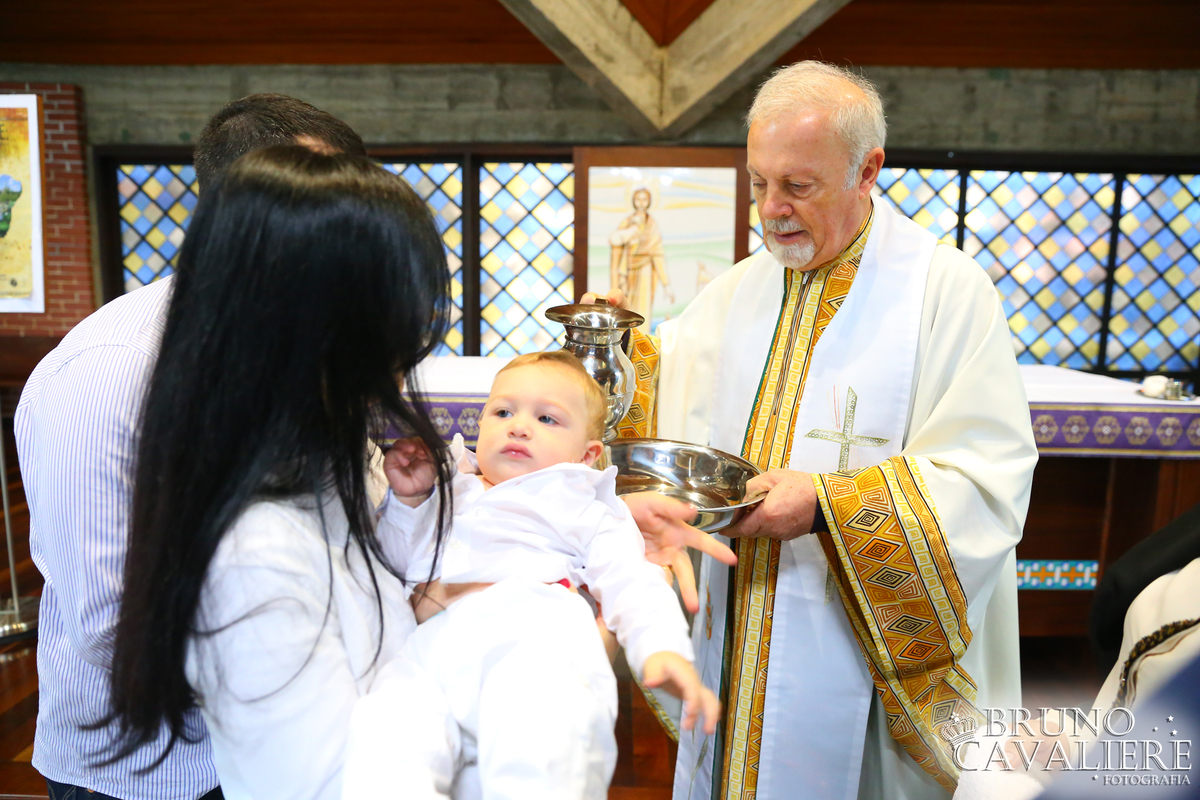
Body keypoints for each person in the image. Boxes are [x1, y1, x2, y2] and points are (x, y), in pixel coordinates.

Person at [590, 60, 1038, 800]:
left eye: (798, 187)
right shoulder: (741, 287)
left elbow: (985, 478)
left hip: (862, 656)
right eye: (760, 183)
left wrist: (830, 506)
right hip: (741, 620)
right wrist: (618, 350)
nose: (772, 210)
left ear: (868, 171)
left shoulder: (946, 292)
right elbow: (668, 390)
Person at [14, 94, 367, 800]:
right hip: (152, 769)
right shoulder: (108, 372)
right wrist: (300, 678)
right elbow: (110, 623)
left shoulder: (311, 351)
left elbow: (344, 528)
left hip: (295, 750)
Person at [343, 351, 720, 799]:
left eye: (547, 418)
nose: (519, 426)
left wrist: (661, 647)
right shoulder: (448, 487)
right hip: (432, 647)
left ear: (587, 454)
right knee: (384, 735)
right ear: (479, 426)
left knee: (542, 738)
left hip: (532, 637)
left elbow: (630, 579)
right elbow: (395, 564)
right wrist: (407, 505)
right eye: (502, 411)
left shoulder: (586, 503)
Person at [609, 187, 671, 331]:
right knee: (627, 302)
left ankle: (641, 335)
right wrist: (632, 232)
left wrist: (666, 284)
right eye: (638, 199)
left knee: (643, 304)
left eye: (644, 199)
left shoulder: (652, 224)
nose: (641, 203)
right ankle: (626, 335)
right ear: (633, 201)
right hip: (629, 267)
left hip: (645, 269)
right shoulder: (628, 221)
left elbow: (657, 252)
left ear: (649, 202)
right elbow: (615, 240)